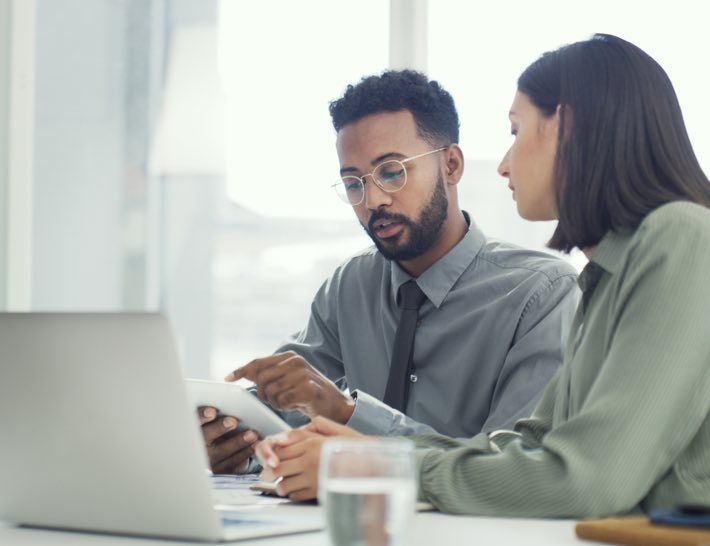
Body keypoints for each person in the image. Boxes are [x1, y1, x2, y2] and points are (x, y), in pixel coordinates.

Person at [254, 33, 710, 516]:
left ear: (566, 129)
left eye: (516, 131)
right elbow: (529, 448)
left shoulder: (680, 237)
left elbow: (587, 480)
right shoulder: (607, 275)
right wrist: (363, 455)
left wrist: (371, 466)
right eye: (353, 183)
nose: (506, 164)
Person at [201, 70, 579, 475]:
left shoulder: (542, 294)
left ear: (451, 165)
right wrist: (236, 443)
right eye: (353, 183)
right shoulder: (350, 287)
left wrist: (347, 412)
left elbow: (514, 466)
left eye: (392, 172)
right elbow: (283, 411)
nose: (373, 200)